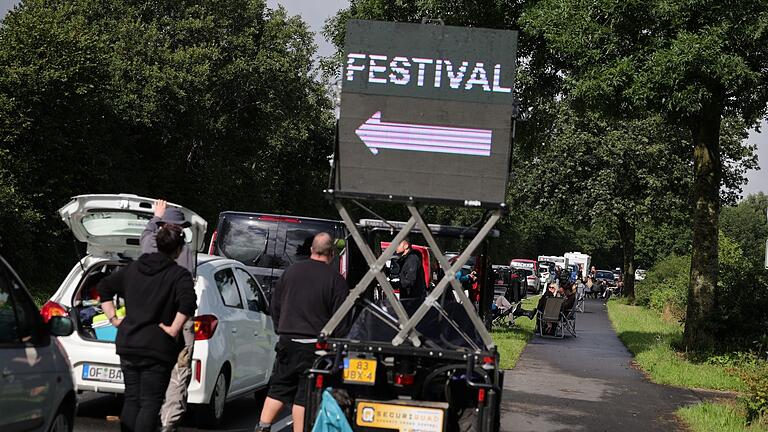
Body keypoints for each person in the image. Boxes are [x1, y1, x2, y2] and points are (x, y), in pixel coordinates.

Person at [98, 224, 197, 432]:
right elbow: (188, 303)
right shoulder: (179, 275)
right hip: (157, 346)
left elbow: (104, 287)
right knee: (150, 401)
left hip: (129, 341)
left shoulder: (133, 268)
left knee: (132, 399)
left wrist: (114, 319)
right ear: (179, 249)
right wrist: (174, 329)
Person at [257, 233, 350, 432]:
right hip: (315, 345)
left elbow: (276, 305)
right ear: (332, 254)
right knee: (303, 394)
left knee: (279, 388)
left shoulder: (290, 272)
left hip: (288, 340)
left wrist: (280, 328)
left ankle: (262, 426)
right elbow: (342, 319)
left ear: (311, 250)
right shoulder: (336, 280)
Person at [141, 200, 196, 432]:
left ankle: (151, 417)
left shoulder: (149, 249)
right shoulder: (185, 252)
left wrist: (156, 217)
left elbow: (145, 237)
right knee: (179, 371)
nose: (181, 229)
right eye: (179, 226)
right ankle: (167, 423)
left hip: (153, 320)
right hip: (180, 322)